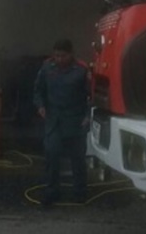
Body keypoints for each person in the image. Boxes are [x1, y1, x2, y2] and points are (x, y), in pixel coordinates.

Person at [33, 38, 91, 206]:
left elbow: (90, 96)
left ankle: (80, 192)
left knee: (78, 158)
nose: (59, 59)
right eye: (56, 55)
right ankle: (52, 192)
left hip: (76, 121)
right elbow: (38, 90)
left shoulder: (81, 70)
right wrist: (40, 106)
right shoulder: (46, 67)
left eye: (63, 56)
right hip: (54, 121)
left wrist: (88, 115)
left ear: (71, 54)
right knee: (52, 155)